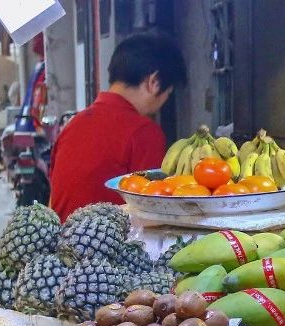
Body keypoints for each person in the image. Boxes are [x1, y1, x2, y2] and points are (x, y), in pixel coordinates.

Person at [50, 31, 186, 220]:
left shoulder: (73, 125)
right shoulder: (144, 131)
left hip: (62, 241)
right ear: (154, 82)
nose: (164, 101)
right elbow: (154, 211)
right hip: (108, 246)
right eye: (168, 93)